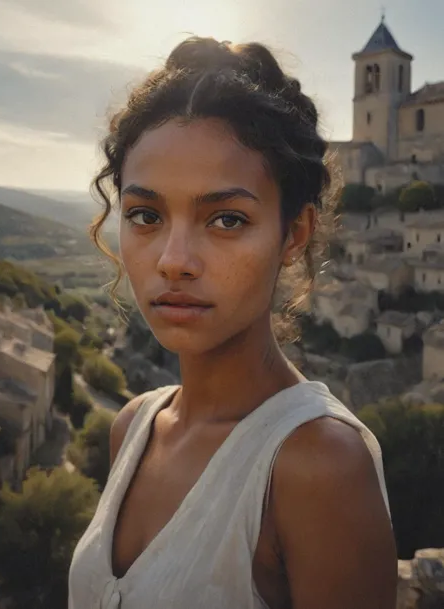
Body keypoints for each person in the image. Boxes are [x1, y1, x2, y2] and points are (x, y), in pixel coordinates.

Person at [69, 37, 397, 609]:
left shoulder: (319, 467)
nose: (173, 259)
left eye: (226, 219)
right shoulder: (132, 427)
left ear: (294, 234)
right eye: (145, 215)